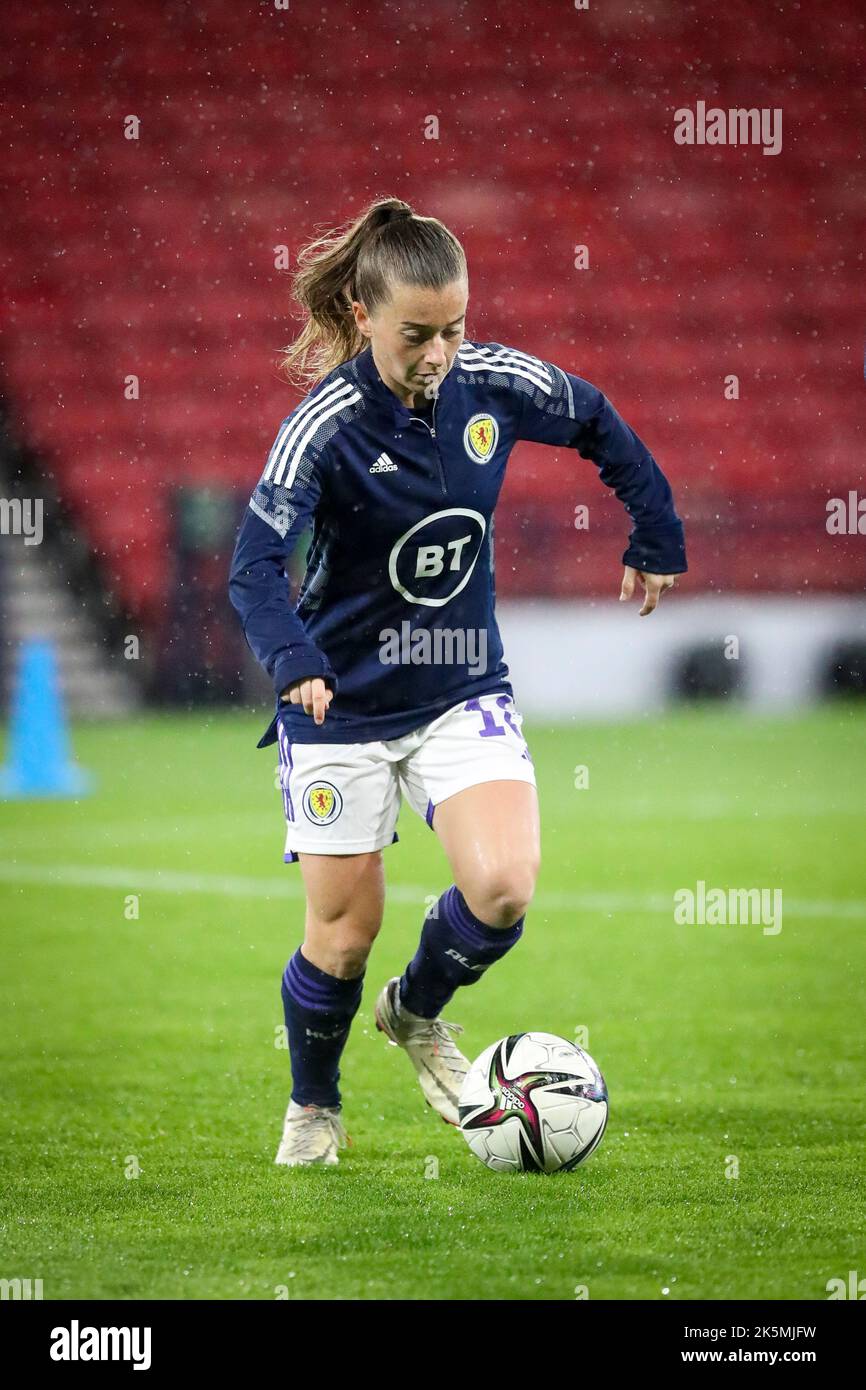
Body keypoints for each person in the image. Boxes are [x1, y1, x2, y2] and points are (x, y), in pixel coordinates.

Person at [228, 195, 687, 1166]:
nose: (439, 352)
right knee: (342, 936)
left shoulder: (493, 382)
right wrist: (295, 660)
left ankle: (416, 1011)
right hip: (338, 704)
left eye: (454, 329)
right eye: (415, 334)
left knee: (503, 887)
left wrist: (654, 532)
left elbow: (596, 419)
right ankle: (314, 1103)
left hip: (457, 685)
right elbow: (253, 566)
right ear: (362, 317)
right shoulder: (325, 424)